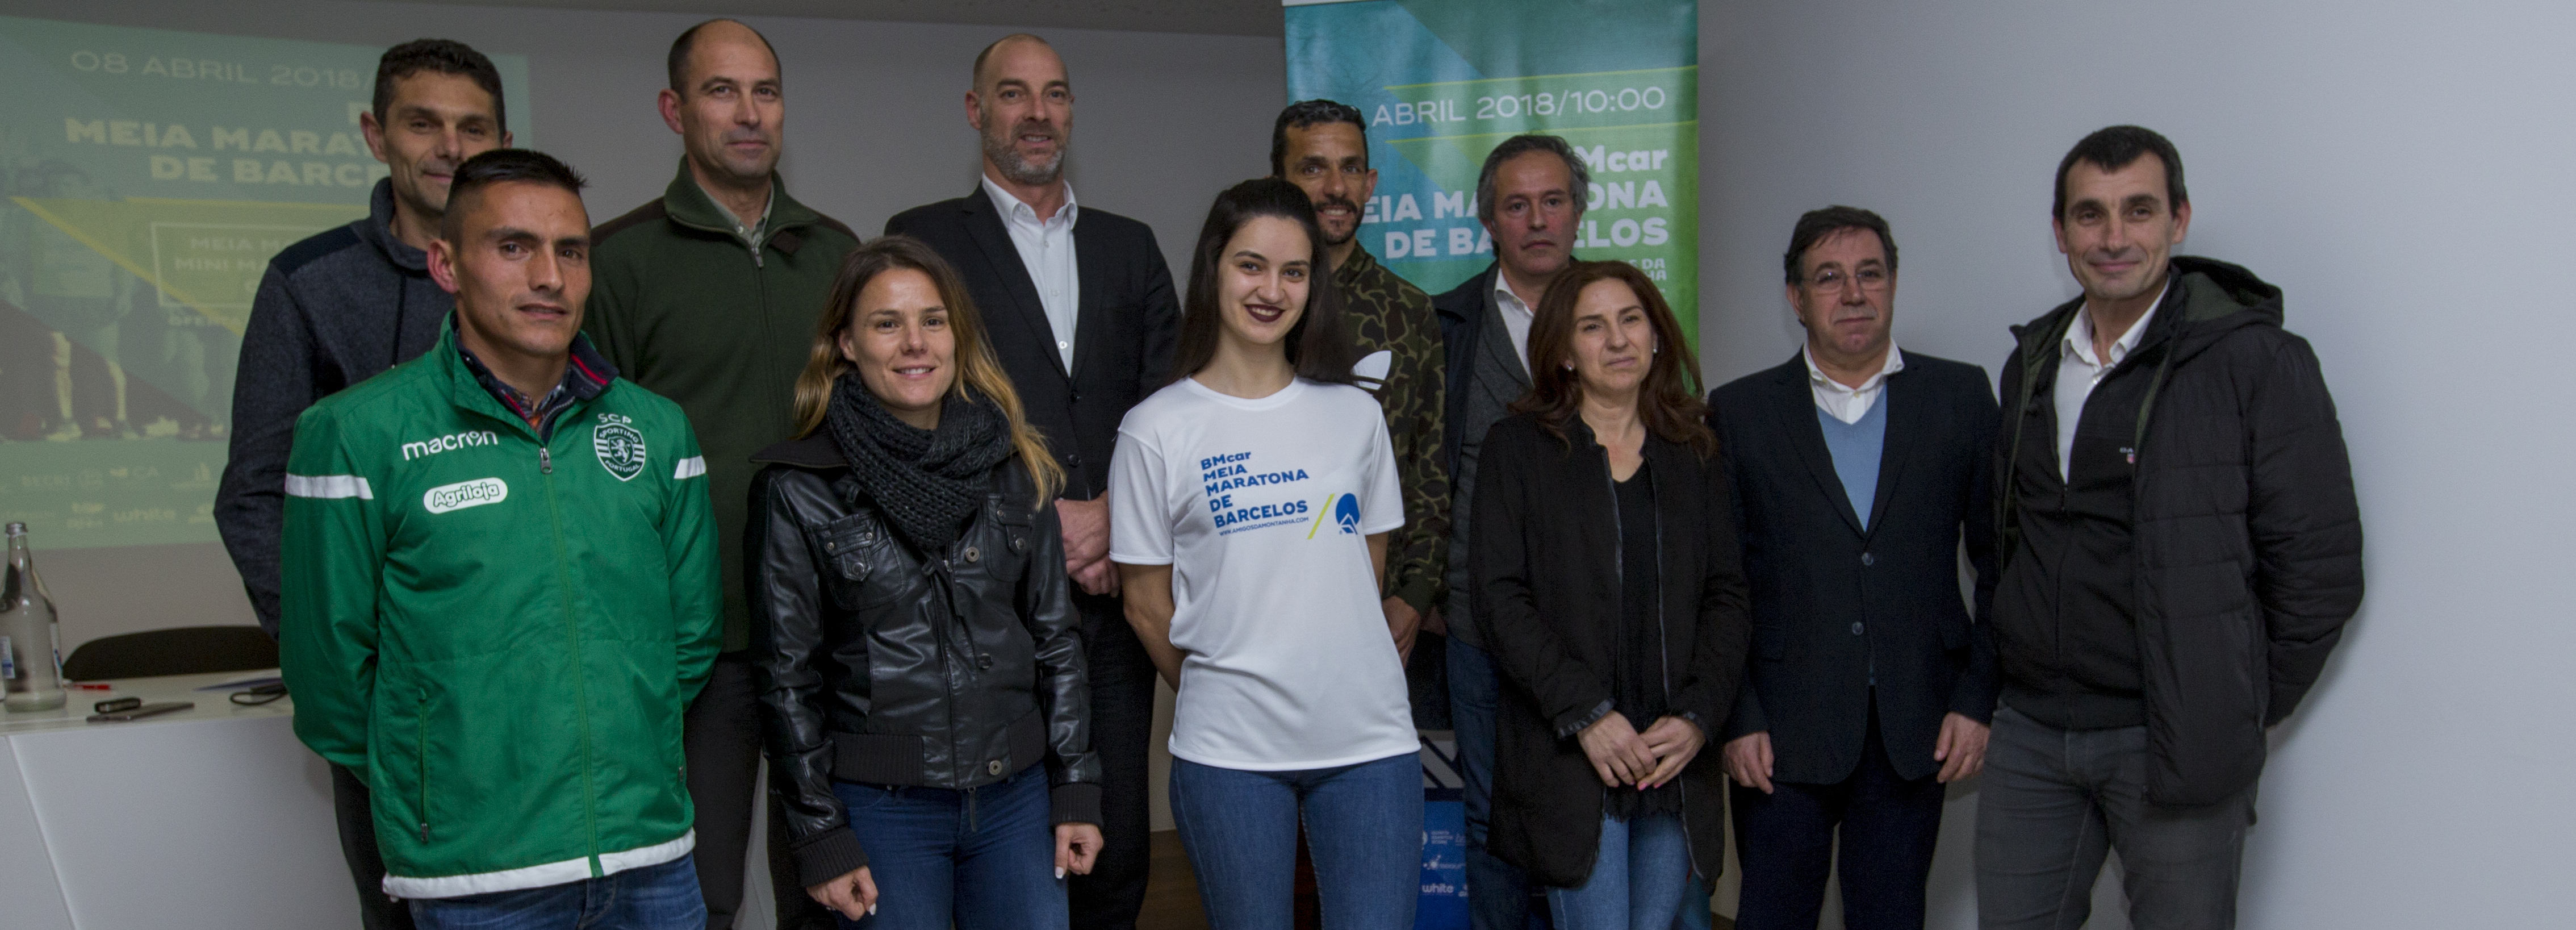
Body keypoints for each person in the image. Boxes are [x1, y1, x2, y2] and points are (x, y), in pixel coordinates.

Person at [277, 148, 722, 930]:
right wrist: (441, 775)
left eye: (572, 251)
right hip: (476, 873)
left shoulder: (656, 429)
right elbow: (330, 680)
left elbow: (688, 639)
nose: (549, 276)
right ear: (445, 263)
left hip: (649, 855)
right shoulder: (353, 434)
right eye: (513, 247)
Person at [1977, 125, 2364, 929]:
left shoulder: (2257, 361)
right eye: (2090, 215)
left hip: (2172, 741)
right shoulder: (2033, 362)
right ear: (2060, 233)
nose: (2114, 238)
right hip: (2030, 736)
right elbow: (2005, 538)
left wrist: (2230, 695)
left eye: (2138, 211)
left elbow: (2322, 569)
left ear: (2179, 220)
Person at [212, 37, 512, 930]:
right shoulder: (309, 284)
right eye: (424, 123)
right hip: (396, 704)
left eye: (474, 127)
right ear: (376, 134)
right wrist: (342, 667)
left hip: (531, 683)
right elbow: (257, 493)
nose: (450, 148)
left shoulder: (544, 276)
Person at [884, 34, 1180, 929]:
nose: (1038, 113)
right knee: (1012, 833)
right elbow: (920, 408)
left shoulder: (1130, 246)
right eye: (1014, 95)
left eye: (1054, 95)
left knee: (1119, 830)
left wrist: (1111, 519)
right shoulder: (924, 239)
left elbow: (1170, 405)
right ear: (977, 112)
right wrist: (1044, 524)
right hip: (991, 596)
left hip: (1116, 589)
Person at [583, 19, 862, 928]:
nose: (749, 114)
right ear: (675, 109)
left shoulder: (834, 251)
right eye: (721, 91)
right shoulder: (616, 260)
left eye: (766, 92)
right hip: (699, 650)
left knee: (833, 886)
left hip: (834, 638)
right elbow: (596, 462)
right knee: (696, 896)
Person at [745, 236, 1106, 929]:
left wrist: (1076, 784)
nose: (915, 343)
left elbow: (1058, 641)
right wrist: (820, 832)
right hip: (884, 810)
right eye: (887, 323)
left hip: (1018, 801)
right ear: (846, 343)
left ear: (957, 336)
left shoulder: (1015, 465)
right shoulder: (796, 490)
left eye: (933, 320)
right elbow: (786, 682)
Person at [1107, 178, 1417, 930]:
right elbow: (1147, 604)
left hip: (1369, 740)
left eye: (1294, 271)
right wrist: (1228, 678)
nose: (1271, 289)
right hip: (1230, 753)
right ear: (1214, 268)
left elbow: (1365, 567)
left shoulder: (1354, 414)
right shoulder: (1155, 429)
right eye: (1251, 265)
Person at [1707, 207, 2000, 930]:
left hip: (1915, 727)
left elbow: (2003, 561)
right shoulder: (1740, 411)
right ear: (1795, 297)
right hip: (1779, 734)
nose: (1854, 293)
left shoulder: (1960, 397)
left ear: (1894, 283)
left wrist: (1977, 698)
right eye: (1829, 278)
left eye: (1870, 274)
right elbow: (1720, 580)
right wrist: (1736, 716)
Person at [1471, 260, 1749, 930]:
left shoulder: (1696, 449)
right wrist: (1587, 715)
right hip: (1574, 754)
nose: (1617, 339)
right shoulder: (1517, 450)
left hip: (1669, 755)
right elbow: (1499, 598)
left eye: (1631, 320)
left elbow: (1728, 595)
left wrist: (1698, 718)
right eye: (1592, 327)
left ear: (1656, 335)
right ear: (1564, 352)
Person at [1432, 132, 1588, 930]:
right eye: (1516, 204)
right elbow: (1425, 475)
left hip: (1598, 630)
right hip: (1478, 631)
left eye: (1553, 200)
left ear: (1579, 211)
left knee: (1590, 822)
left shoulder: (1619, 319)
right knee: (1492, 821)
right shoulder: (1446, 325)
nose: (1537, 220)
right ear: (1489, 220)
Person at [1268, 98, 1449, 707]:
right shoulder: (1245, 309)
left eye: (1351, 168)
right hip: (1262, 609)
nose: (1336, 187)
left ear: (1372, 183)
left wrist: (1416, 594)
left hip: (1380, 615)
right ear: (1280, 182)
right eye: (1313, 168)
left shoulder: (1409, 311)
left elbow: (1427, 465)